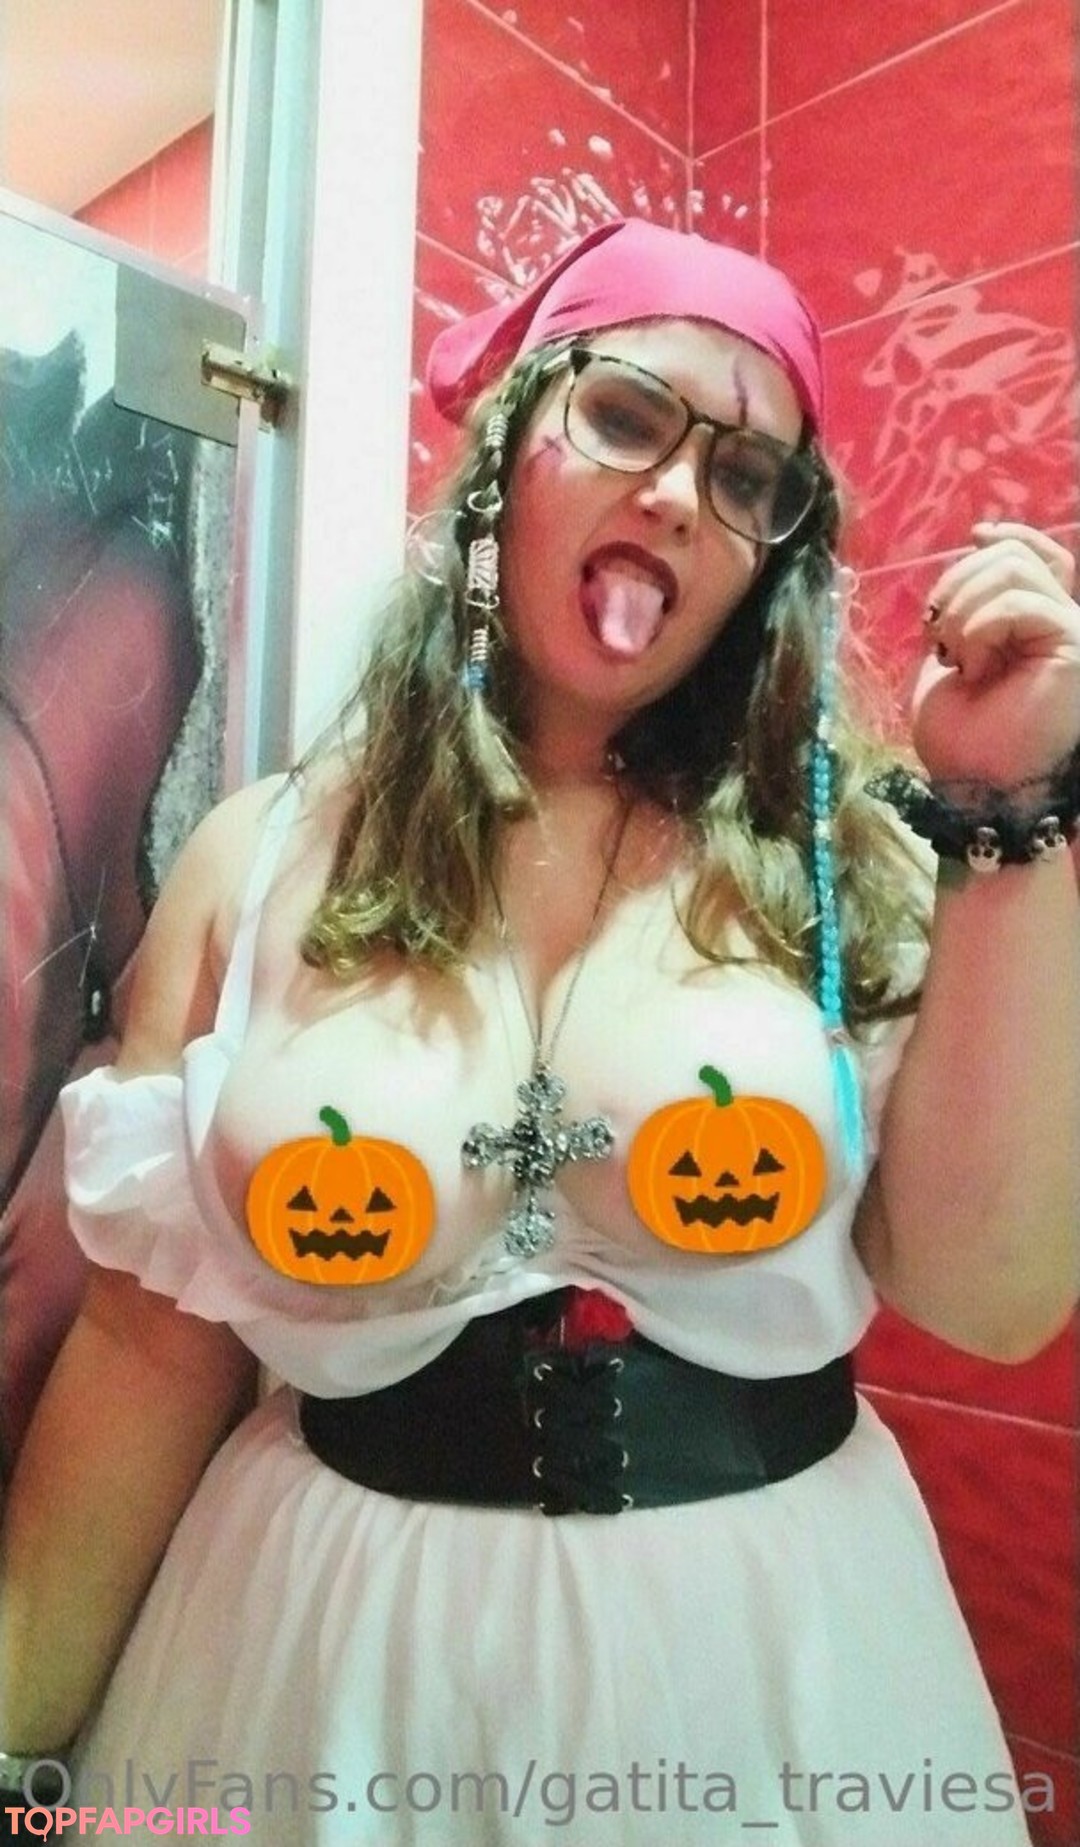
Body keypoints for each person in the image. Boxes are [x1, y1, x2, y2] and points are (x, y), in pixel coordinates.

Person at [2, 217, 1078, 1846]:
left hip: (771, 1672)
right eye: (628, 416)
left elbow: (993, 1302)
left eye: (746, 477)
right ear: (510, 442)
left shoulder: (848, 867)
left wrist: (1013, 812)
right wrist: (14, 1729)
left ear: (771, 558)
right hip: (320, 1663)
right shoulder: (259, 859)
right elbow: (149, 1353)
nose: (679, 494)